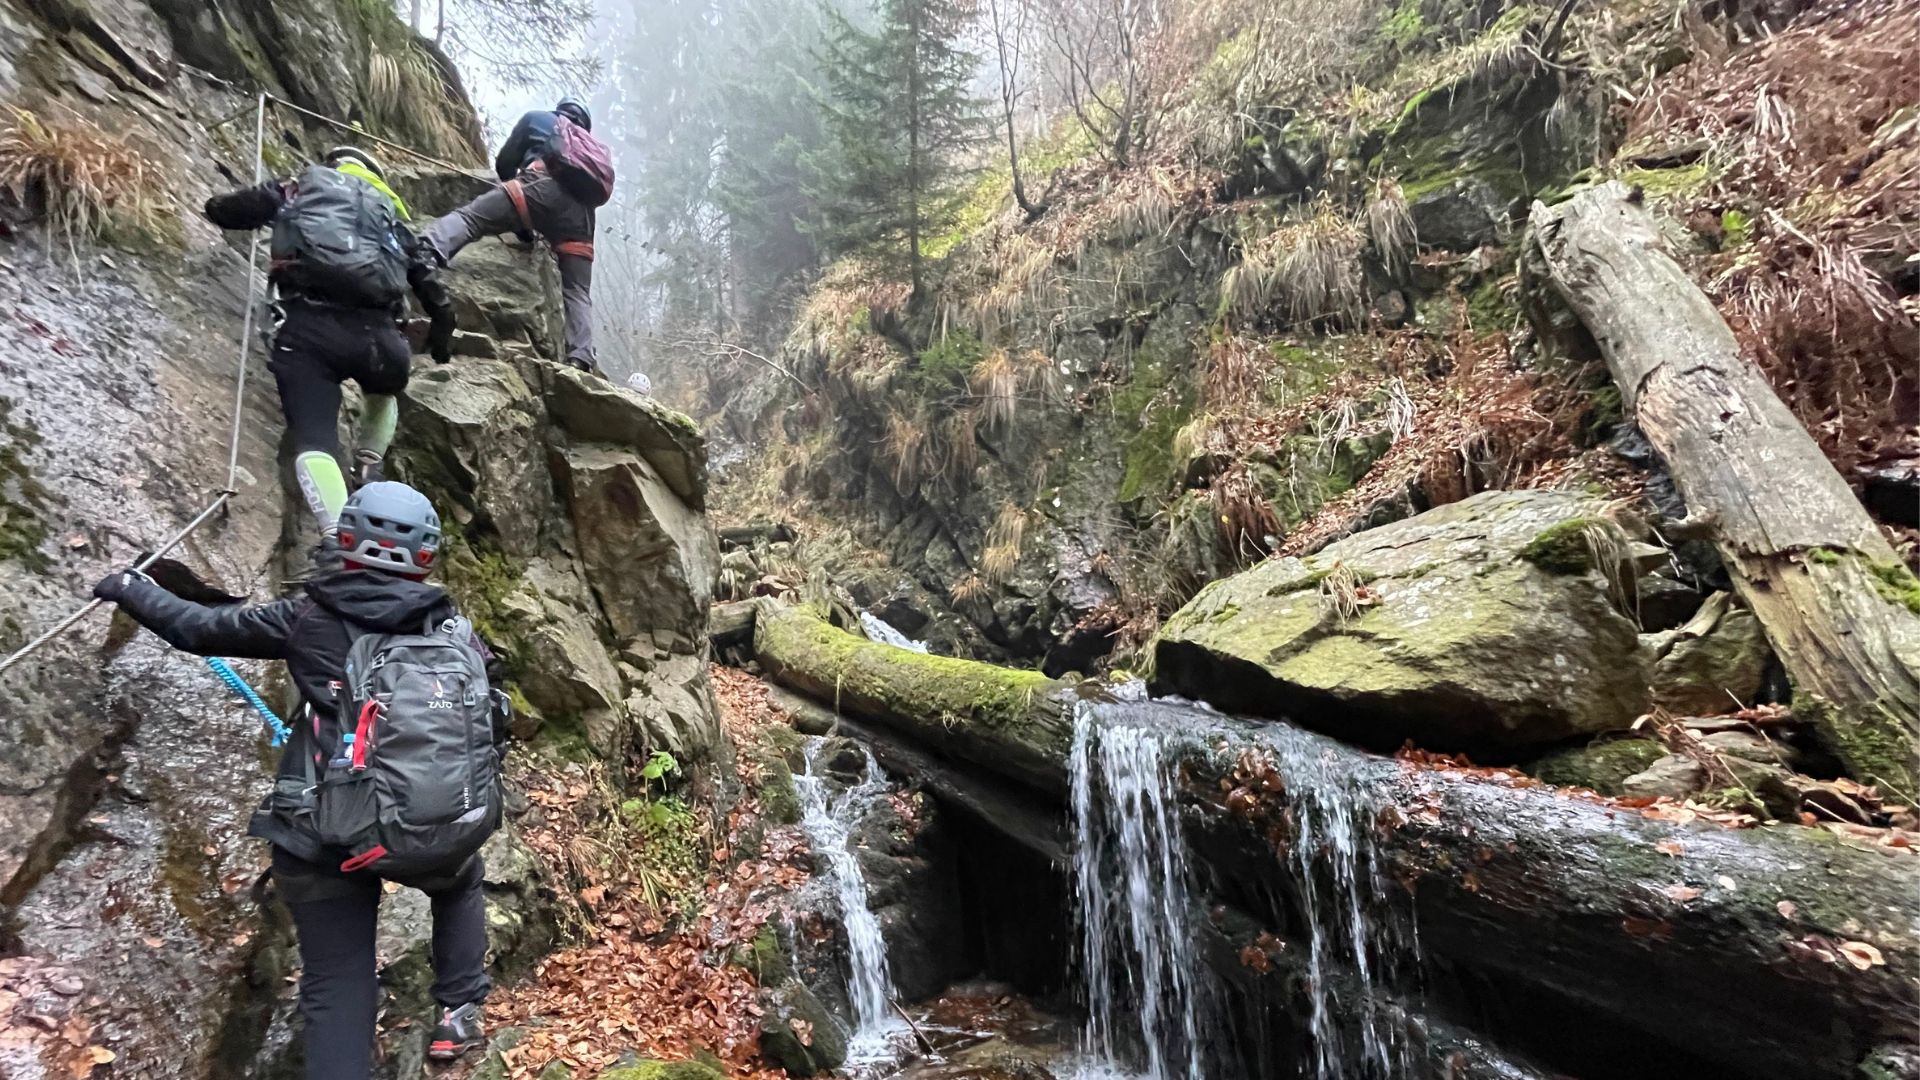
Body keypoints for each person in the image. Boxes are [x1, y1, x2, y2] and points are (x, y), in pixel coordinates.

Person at [91, 483, 500, 1077]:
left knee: (338, 978)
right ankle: (458, 1011)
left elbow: (200, 628)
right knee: (460, 879)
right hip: (431, 822)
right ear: (427, 556)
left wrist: (129, 587)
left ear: (346, 540)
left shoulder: (307, 617)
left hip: (325, 834)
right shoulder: (452, 628)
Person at [204, 147, 456, 543]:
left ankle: (339, 540)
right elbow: (432, 289)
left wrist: (214, 208)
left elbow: (236, 210)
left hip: (310, 330)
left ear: (334, 166)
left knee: (315, 439)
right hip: (381, 341)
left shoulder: (304, 186)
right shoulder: (391, 216)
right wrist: (441, 341)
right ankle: (369, 463)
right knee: (382, 392)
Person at [426, 96, 600, 372]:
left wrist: (520, 218)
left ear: (559, 110)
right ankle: (581, 357)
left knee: (470, 218)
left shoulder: (537, 119)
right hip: (581, 219)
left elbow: (505, 164)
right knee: (577, 290)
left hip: (537, 186)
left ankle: (428, 250)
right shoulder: (590, 154)